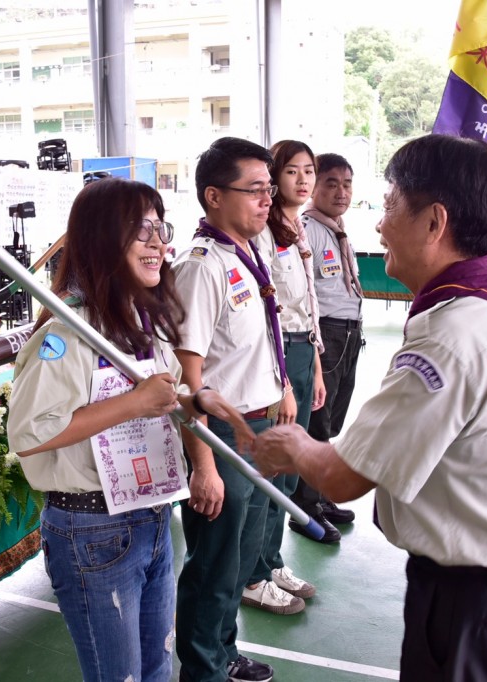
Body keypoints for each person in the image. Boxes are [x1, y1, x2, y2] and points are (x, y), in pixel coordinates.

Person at [255, 134, 487, 681]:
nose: (379, 223)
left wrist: (290, 444)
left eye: (391, 205)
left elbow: (341, 477)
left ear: (433, 222)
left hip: (474, 594)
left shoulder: (452, 336)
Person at [7, 177, 253, 682]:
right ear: (101, 237)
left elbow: (156, 396)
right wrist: (134, 403)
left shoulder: (142, 323)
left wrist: (188, 400)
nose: (159, 243)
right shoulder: (65, 334)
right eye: (141, 230)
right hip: (93, 530)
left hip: (151, 516)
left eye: (160, 228)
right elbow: (29, 433)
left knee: (158, 665)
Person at [172, 136, 296, 682]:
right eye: (255, 190)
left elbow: (258, 341)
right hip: (220, 439)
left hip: (256, 428)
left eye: (270, 189)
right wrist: (202, 465)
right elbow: (186, 379)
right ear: (214, 196)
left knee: (240, 560)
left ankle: (222, 654)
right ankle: (203, 671)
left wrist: (283, 388)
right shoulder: (201, 267)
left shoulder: (248, 251)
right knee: (214, 566)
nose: (268, 200)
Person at [241, 140, 324, 615]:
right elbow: (272, 313)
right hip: (279, 353)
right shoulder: (265, 235)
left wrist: (312, 367)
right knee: (272, 471)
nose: (302, 180)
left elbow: (308, 305)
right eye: (291, 172)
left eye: (308, 170)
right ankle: (254, 575)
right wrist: (287, 382)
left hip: (300, 351)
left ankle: (271, 562)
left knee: (289, 472)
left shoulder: (299, 229)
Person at [289, 152, 363, 543]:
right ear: (314, 188)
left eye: (347, 183)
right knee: (317, 421)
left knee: (332, 419)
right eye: (331, 183)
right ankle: (305, 509)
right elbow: (308, 297)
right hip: (327, 335)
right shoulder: (308, 230)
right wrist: (318, 350)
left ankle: (318, 496)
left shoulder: (337, 228)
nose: (341, 191)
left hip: (349, 333)